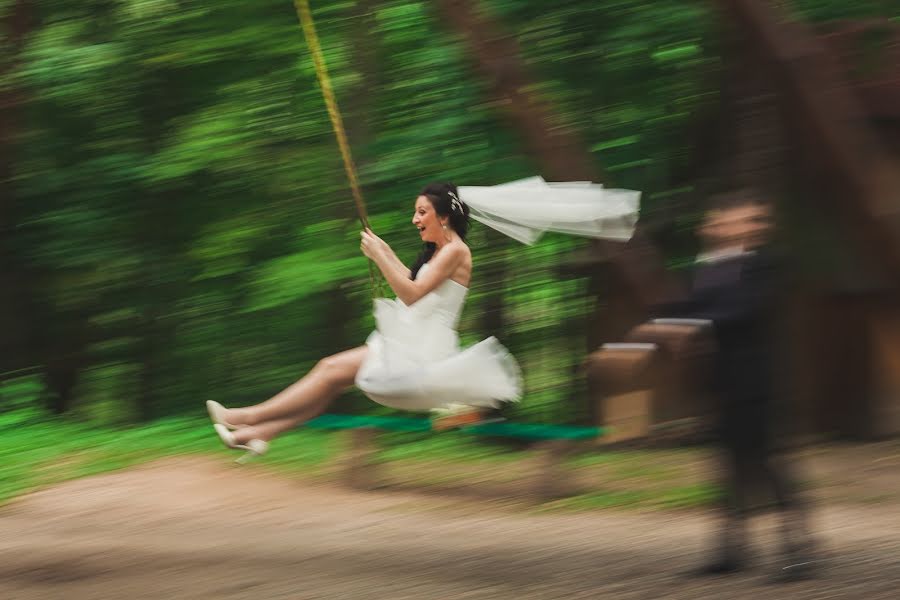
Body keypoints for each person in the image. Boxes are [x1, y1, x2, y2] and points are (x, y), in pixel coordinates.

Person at [207, 183, 521, 460]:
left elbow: (412, 294)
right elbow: (414, 282)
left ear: (444, 216)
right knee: (330, 381)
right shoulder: (441, 253)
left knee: (328, 369)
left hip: (419, 355)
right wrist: (383, 250)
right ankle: (257, 434)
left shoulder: (456, 251)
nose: (415, 220)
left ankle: (245, 417)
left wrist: (379, 256)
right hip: (410, 344)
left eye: (422, 212)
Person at [630, 190, 817, 580]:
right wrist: (654, 326)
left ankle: (799, 551)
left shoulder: (768, 265)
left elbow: (742, 311)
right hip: (720, 382)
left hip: (756, 381)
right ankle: (733, 552)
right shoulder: (707, 267)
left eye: (743, 219)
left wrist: (686, 327)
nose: (724, 225)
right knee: (728, 468)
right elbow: (687, 309)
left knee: (766, 465)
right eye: (722, 219)